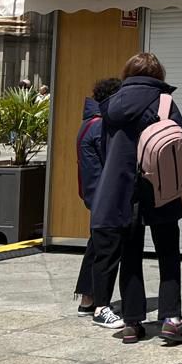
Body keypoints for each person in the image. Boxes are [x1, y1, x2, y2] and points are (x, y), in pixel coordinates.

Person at [93, 52, 182, 345]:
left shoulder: (112, 105)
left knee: (130, 254)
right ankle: (172, 319)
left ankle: (131, 321)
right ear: (159, 75)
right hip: (160, 186)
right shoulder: (164, 102)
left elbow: (105, 148)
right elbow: (181, 145)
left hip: (122, 189)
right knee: (168, 252)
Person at [73, 77, 121, 319]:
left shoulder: (87, 123)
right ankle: (98, 303)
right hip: (103, 195)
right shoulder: (100, 126)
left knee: (96, 246)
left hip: (93, 193)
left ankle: (87, 298)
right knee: (105, 251)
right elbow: (111, 161)